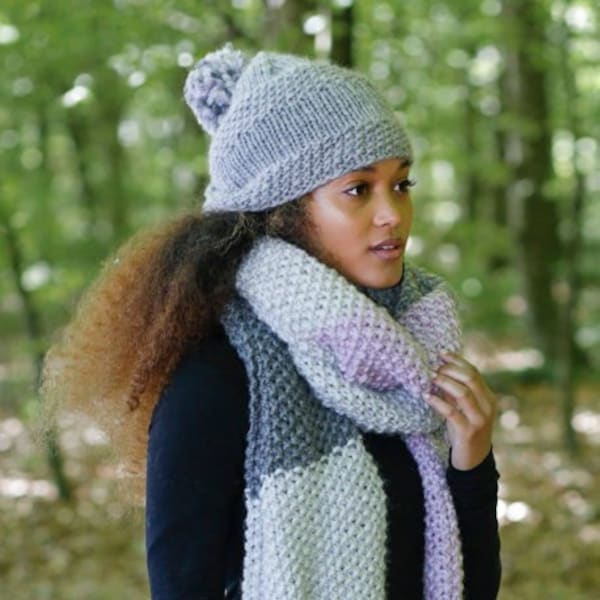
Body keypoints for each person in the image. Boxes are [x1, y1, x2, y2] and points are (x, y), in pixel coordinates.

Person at [40, 43, 501, 600]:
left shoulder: (416, 355)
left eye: (401, 184)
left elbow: (468, 587)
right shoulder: (216, 376)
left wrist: (470, 461)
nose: (392, 214)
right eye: (358, 189)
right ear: (281, 210)